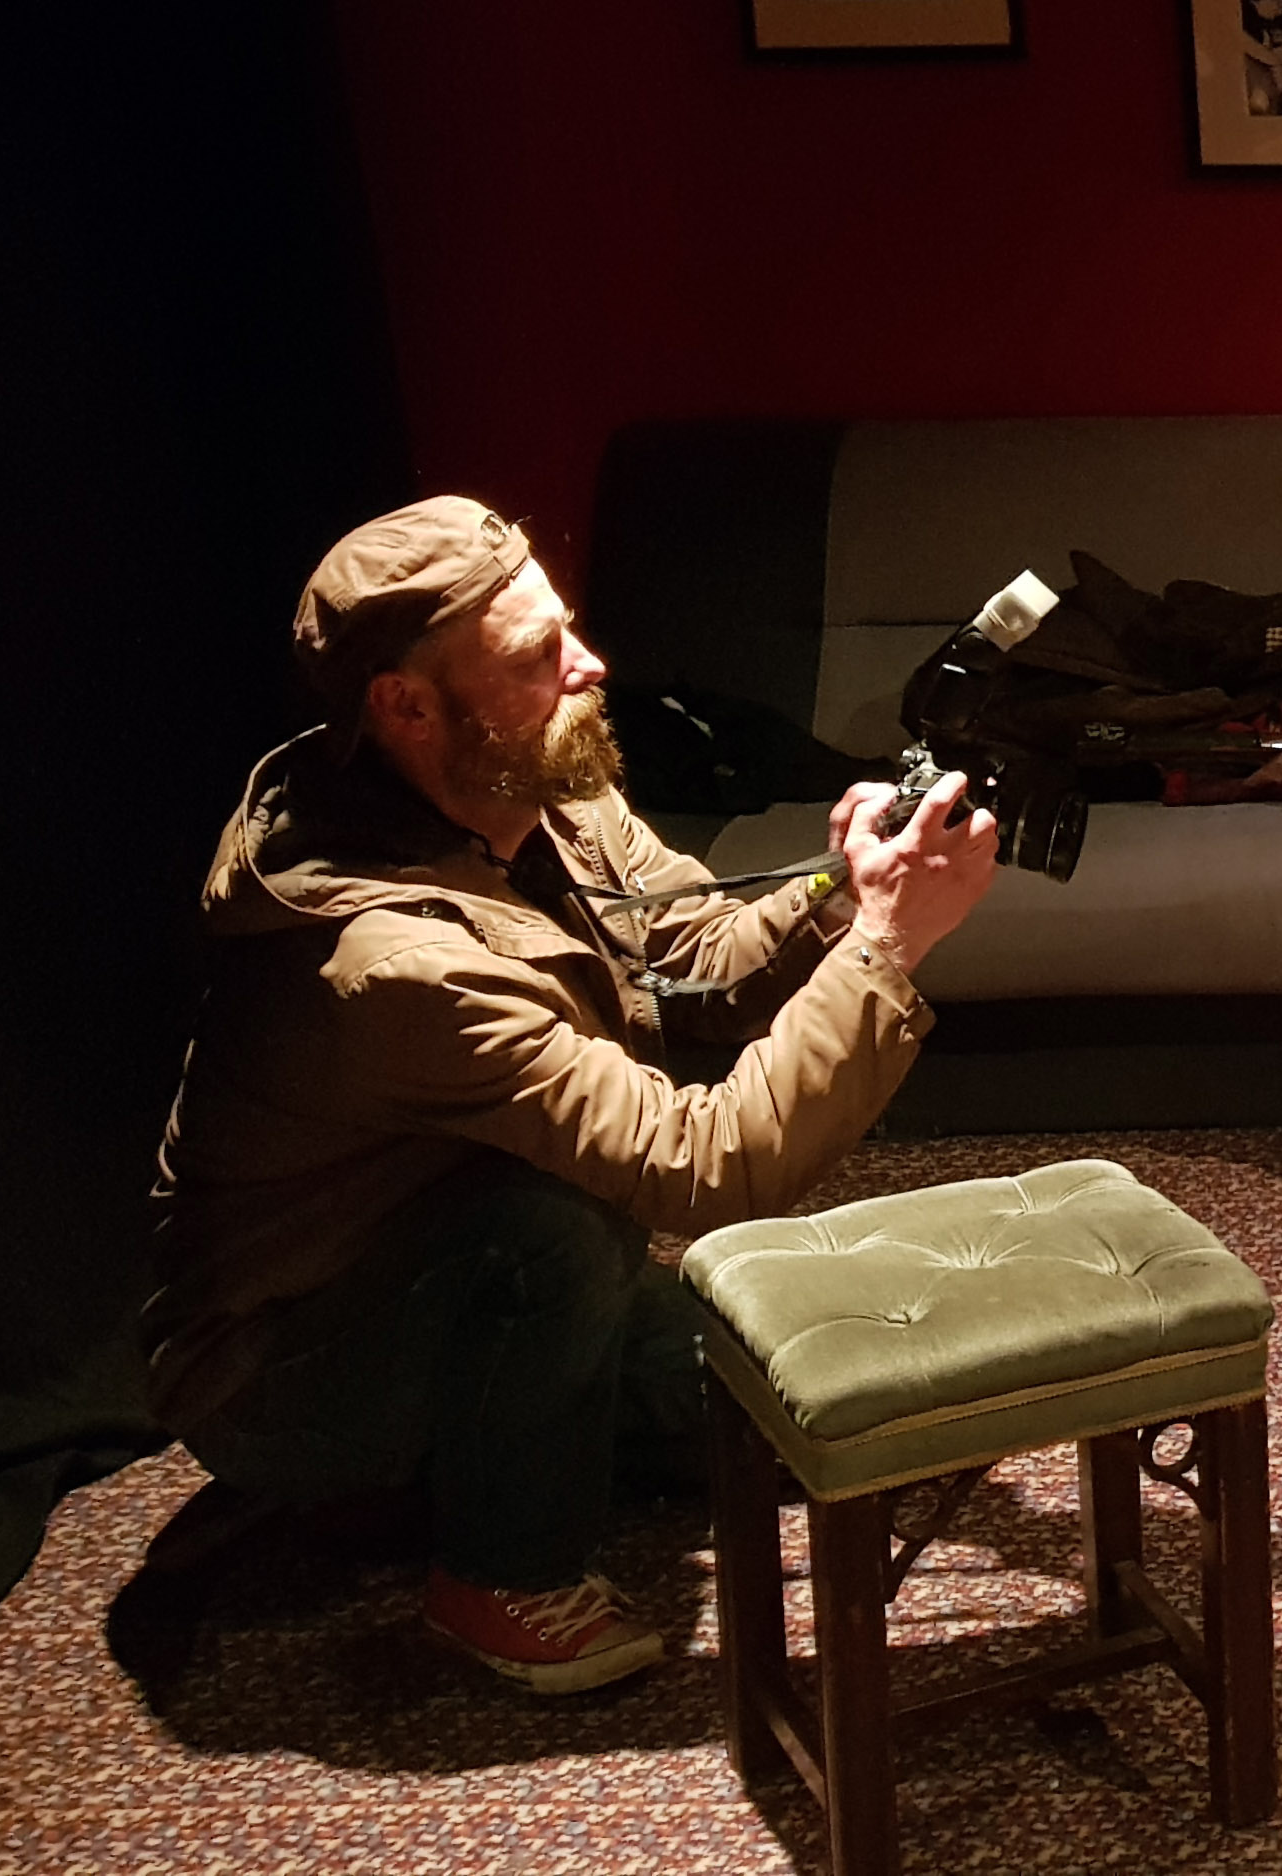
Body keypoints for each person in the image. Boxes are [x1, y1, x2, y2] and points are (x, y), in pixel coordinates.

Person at [142, 498, 1004, 1695]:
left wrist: (840, 888)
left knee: (792, 1408)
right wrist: (889, 947)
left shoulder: (536, 786)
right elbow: (710, 1166)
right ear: (407, 706)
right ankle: (498, 1578)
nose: (589, 665)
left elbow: (696, 953)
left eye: (570, 629)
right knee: (561, 1223)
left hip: (437, 1246)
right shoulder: (392, 966)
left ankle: (461, 1458)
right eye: (537, 654)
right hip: (283, 1371)